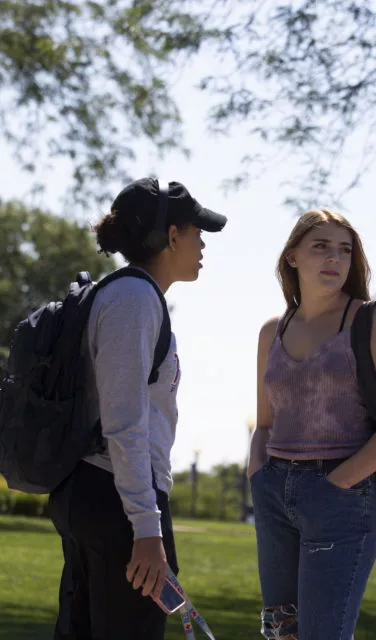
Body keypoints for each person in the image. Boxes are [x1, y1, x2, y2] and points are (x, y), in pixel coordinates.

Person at [48, 178, 227, 640]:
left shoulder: (127, 295)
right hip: (119, 503)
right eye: (196, 231)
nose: (202, 243)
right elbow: (124, 423)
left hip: (100, 494)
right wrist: (147, 530)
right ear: (171, 237)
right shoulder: (135, 299)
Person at [248, 208, 376, 640]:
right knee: (280, 634)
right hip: (274, 493)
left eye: (344, 250)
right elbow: (265, 422)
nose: (334, 258)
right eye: (321, 247)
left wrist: (337, 485)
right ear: (292, 257)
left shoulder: (371, 323)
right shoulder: (273, 330)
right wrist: (258, 474)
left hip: (342, 497)